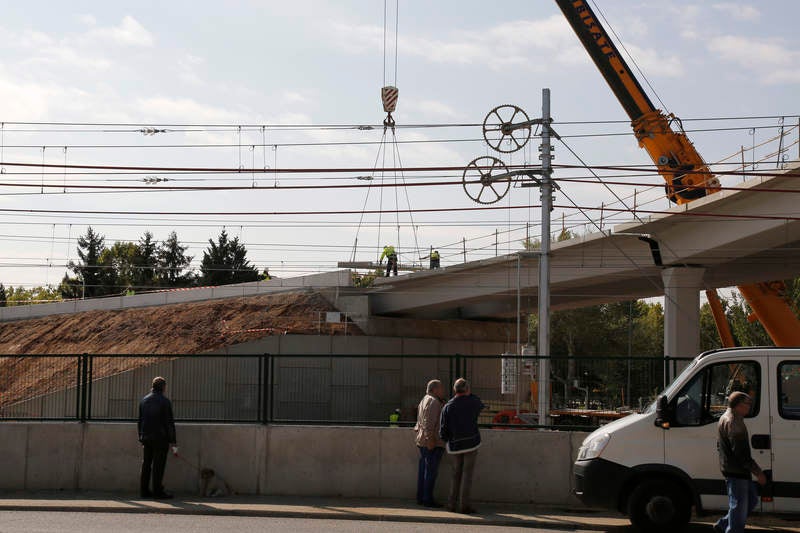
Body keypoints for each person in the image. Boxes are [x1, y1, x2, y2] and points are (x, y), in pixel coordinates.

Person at [714, 391, 767, 533]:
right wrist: (758, 472)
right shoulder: (733, 422)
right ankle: (731, 529)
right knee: (739, 508)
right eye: (747, 404)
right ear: (738, 405)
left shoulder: (727, 417)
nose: (749, 407)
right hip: (736, 471)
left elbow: (720, 445)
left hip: (735, 469)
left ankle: (722, 524)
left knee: (751, 500)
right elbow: (741, 454)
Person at [440, 378, 485, 514]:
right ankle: (464, 505)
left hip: (455, 444)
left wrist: (447, 439)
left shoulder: (448, 406)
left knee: (456, 474)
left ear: (454, 390)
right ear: (467, 389)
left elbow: (443, 429)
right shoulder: (473, 402)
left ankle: (451, 504)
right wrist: (469, 394)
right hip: (471, 443)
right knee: (467, 475)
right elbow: (480, 404)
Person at [138, 376, 177, 499]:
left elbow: (140, 420)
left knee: (146, 464)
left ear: (153, 386)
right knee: (158, 466)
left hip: (146, 436)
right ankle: (157, 491)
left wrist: (141, 436)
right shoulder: (165, 402)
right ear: (163, 387)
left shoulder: (144, 400)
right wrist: (173, 441)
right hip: (160, 438)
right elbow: (169, 423)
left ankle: (144, 491)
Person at [414, 379, 446, 507]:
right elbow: (429, 423)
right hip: (431, 441)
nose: (443, 391)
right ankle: (427, 499)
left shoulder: (424, 399)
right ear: (435, 389)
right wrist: (430, 440)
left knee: (424, 470)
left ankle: (421, 497)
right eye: (441, 388)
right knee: (430, 471)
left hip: (422, 440)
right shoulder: (433, 402)